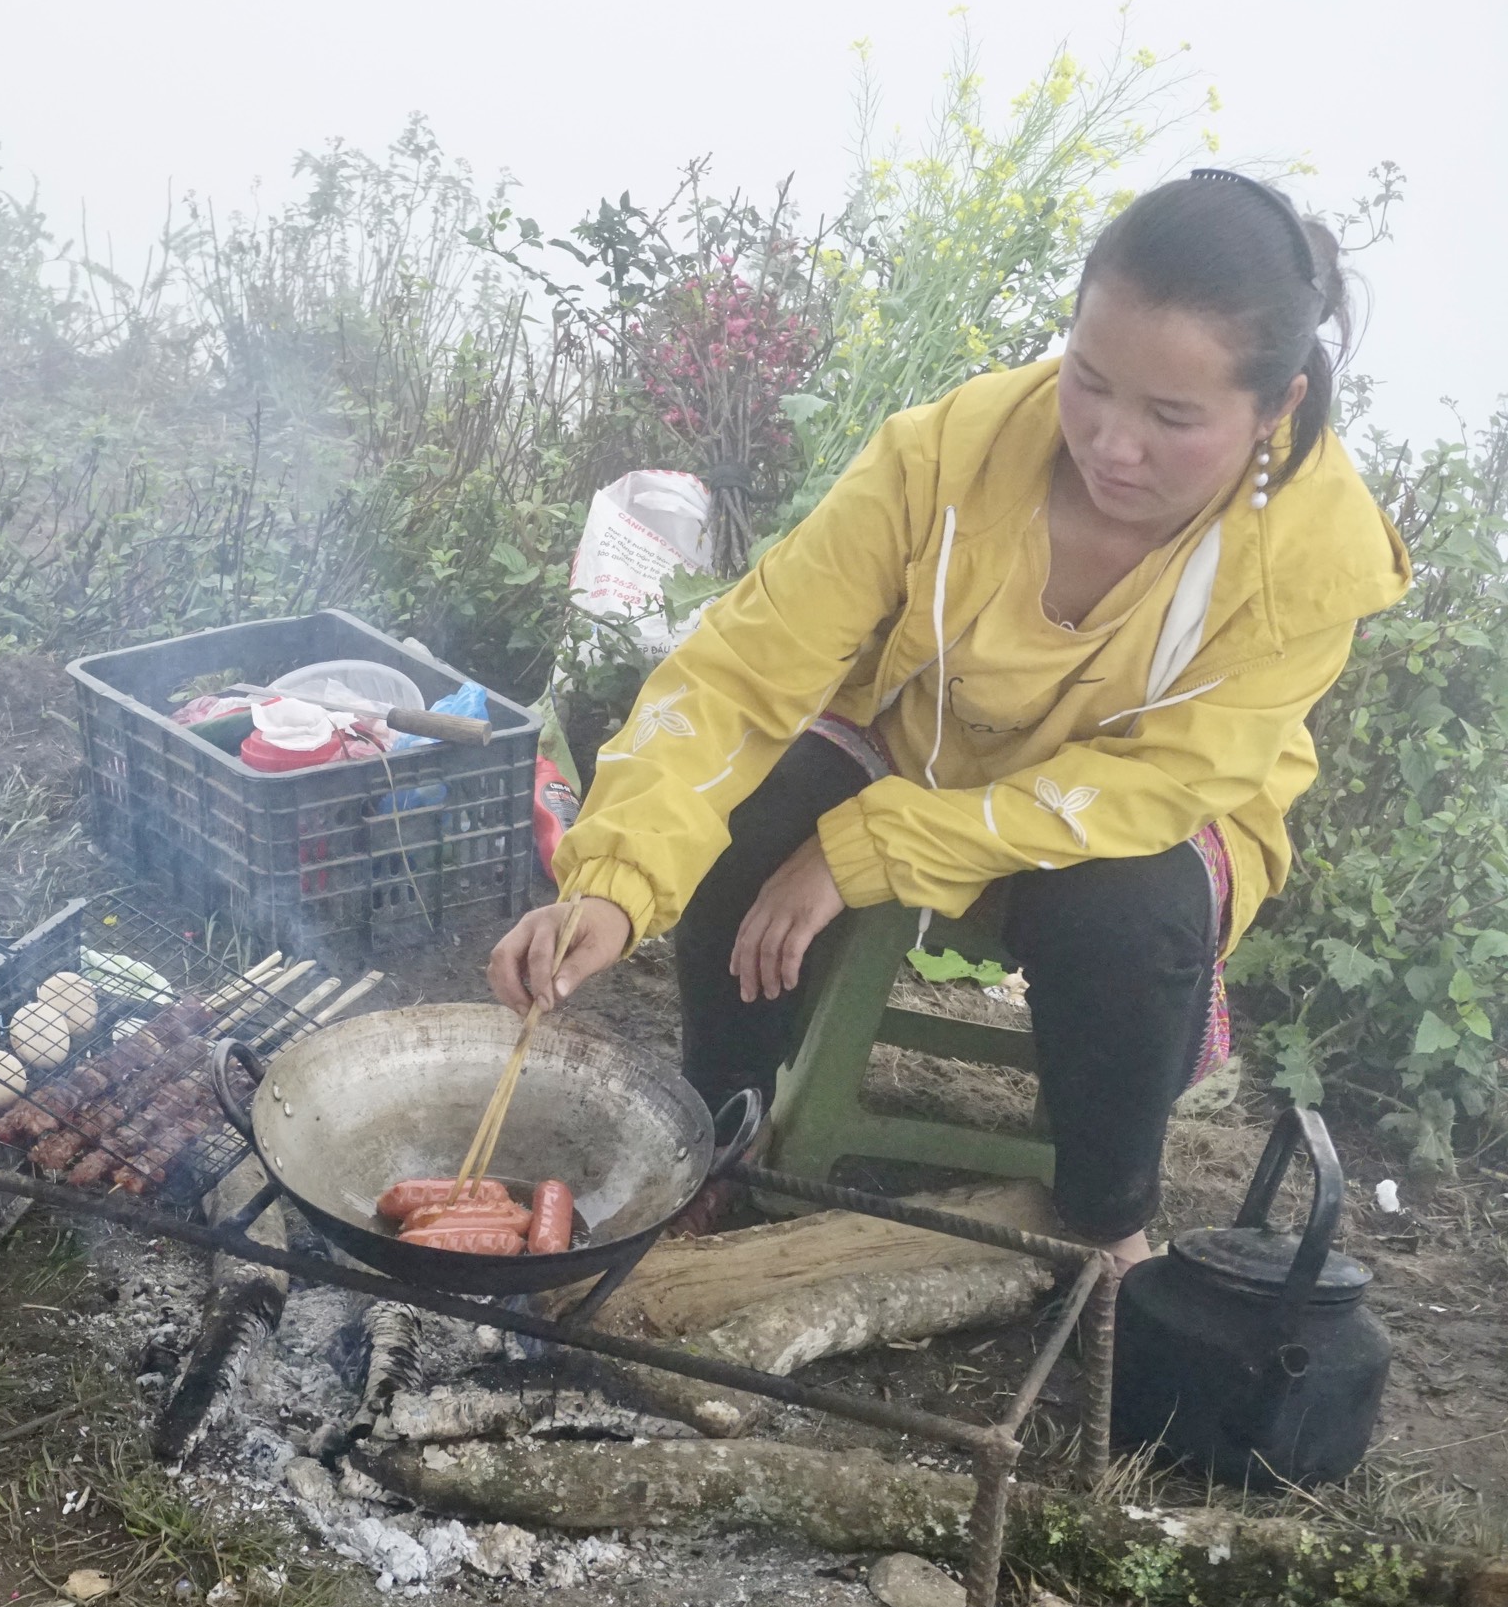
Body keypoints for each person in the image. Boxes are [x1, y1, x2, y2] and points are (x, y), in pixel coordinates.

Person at [490, 171, 1410, 1270]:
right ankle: (720, 1123)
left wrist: (874, 844)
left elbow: (1165, 782)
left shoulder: (1311, 557)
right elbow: (742, 667)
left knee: (1128, 911)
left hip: (1130, 815)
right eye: (1090, 381)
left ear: (1276, 407)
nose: (1112, 444)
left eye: (1172, 418)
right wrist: (611, 877)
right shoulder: (946, 453)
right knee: (757, 805)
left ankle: (1105, 1221)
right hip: (924, 744)